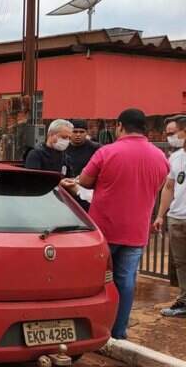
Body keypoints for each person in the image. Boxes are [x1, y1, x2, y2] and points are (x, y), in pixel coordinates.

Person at [65, 108, 168, 339]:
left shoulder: (107, 152)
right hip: (136, 231)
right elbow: (158, 186)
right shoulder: (160, 157)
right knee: (126, 280)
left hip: (105, 229)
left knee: (91, 281)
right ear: (146, 128)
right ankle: (118, 332)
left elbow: (85, 181)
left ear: (120, 126)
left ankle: (87, 329)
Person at [153, 116, 186, 317]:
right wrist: (160, 215)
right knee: (181, 263)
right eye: (167, 134)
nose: (170, 138)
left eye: (173, 133)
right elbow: (169, 187)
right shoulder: (175, 157)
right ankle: (184, 300)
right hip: (177, 218)